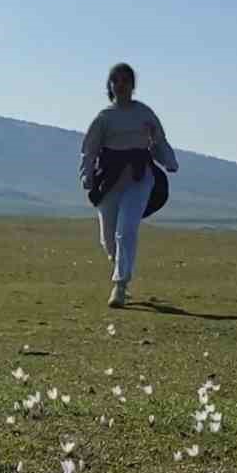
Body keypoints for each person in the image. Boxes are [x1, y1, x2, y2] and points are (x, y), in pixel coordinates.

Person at [79, 63, 179, 308]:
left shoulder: (144, 114)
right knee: (109, 238)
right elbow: (89, 151)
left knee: (127, 229)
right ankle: (118, 266)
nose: (121, 85)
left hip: (139, 176)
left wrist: (169, 161)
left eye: (126, 81)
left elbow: (158, 141)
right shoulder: (104, 118)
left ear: (133, 86)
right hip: (110, 179)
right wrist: (87, 176)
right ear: (110, 86)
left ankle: (120, 285)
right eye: (117, 81)